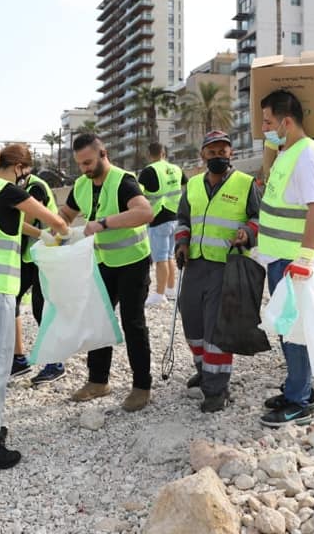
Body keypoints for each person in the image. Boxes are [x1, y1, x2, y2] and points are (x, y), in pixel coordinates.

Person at [0, 144, 69, 470]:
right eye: (27, 169)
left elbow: (15, 224)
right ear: (19, 166)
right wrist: (62, 232)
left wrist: (39, 236)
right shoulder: (7, 190)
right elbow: (52, 219)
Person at [59, 134, 155, 412]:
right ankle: (98, 381)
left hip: (133, 262)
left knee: (133, 323)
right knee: (97, 321)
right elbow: (66, 214)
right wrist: (55, 227)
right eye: (80, 164)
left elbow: (144, 213)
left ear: (104, 153)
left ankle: (141, 386)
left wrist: (103, 223)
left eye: (88, 162)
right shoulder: (82, 184)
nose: (85, 169)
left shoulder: (123, 181)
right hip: (103, 263)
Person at [256, 90, 314, 428]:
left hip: (293, 262)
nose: (263, 127)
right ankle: (298, 388)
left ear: (286, 122)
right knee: (287, 329)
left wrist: (305, 257)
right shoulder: (286, 152)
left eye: (268, 121)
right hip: (278, 259)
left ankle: (300, 400)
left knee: (295, 332)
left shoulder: (308, 155)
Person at [174, 131, 259, 412]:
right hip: (196, 265)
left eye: (223, 152)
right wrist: (182, 243)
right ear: (203, 156)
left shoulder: (246, 184)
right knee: (193, 325)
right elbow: (183, 219)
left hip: (226, 266)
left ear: (231, 153)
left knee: (215, 329)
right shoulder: (194, 185)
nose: (217, 157)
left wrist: (247, 232)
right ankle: (204, 370)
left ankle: (216, 389)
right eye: (212, 153)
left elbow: (257, 218)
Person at [11, 170, 66, 385]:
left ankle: (56, 363)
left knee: (41, 308)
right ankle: (19, 359)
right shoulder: (19, 186)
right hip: (29, 256)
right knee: (12, 300)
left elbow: (25, 220)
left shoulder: (36, 188)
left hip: (44, 254)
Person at [138, 142, 186, 306]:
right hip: (176, 216)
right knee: (169, 255)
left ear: (149, 154)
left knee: (160, 259)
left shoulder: (149, 171)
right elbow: (184, 187)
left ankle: (159, 293)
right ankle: (171, 289)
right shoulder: (177, 169)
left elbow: (138, 194)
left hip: (159, 217)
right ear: (164, 153)